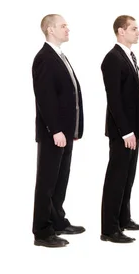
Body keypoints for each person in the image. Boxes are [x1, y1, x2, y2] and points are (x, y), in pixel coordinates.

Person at [31, 14, 85, 247]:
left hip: (66, 131)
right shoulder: (44, 58)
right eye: (63, 26)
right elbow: (45, 98)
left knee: (61, 178)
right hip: (54, 133)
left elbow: (70, 94)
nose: (67, 29)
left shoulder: (60, 56)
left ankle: (58, 221)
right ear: (50, 29)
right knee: (47, 181)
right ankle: (42, 232)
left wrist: (73, 128)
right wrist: (55, 130)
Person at [100, 15, 139, 243]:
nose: (138, 32)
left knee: (128, 176)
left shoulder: (130, 56)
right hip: (123, 132)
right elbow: (115, 100)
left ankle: (123, 219)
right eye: (134, 28)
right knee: (116, 178)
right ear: (121, 31)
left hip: (133, 131)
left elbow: (138, 95)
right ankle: (109, 229)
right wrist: (126, 131)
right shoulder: (112, 59)